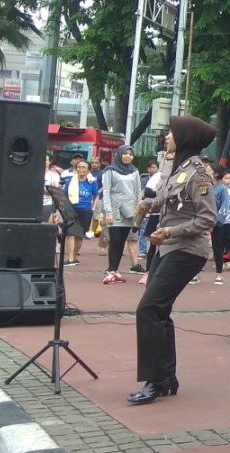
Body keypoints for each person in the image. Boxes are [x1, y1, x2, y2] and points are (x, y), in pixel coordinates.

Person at [129, 116, 217, 405]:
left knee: (149, 309)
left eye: (172, 132)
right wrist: (149, 204)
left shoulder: (199, 175)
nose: (167, 136)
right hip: (166, 248)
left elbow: (208, 218)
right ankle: (166, 379)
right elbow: (168, 199)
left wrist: (170, 231)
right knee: (159, 311)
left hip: (187, 251)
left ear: (185, 138)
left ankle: (155, 381)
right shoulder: (173, 167)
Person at [102, 145, 142, 285]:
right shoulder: (110, 171)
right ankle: (111, 271)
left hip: (130, 211)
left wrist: (139, 208)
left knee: (122, 241)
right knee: (115, 240)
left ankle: (115, 270)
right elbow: (106, 191)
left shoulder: (134, 171)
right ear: (119, 155)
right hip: (115, 210)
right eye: (125, 154)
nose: (127, 156)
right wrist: (108, 211)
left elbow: (138, 191)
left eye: (130, 154)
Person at [63, 160, 99, 265]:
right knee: (70, 234)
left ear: (88, 170)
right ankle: (70, 259)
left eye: (84, 167)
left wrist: (93, 208)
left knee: (79, 235)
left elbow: (96, 196)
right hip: (71, 209)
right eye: (79, 167)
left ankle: (74, 257)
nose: (81, 169)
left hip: (85, 210)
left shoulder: (92, 182)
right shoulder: (70, 181)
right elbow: (65, 195)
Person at [211, 166, 230, 284]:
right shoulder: (203, 187)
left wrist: (214, 223)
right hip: (201, 222)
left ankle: (219, 274)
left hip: (217, 223)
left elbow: (224, 208)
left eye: (209, 171)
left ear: (216, 174)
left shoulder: (222, 189)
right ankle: (195, 274)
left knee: (217, 248)